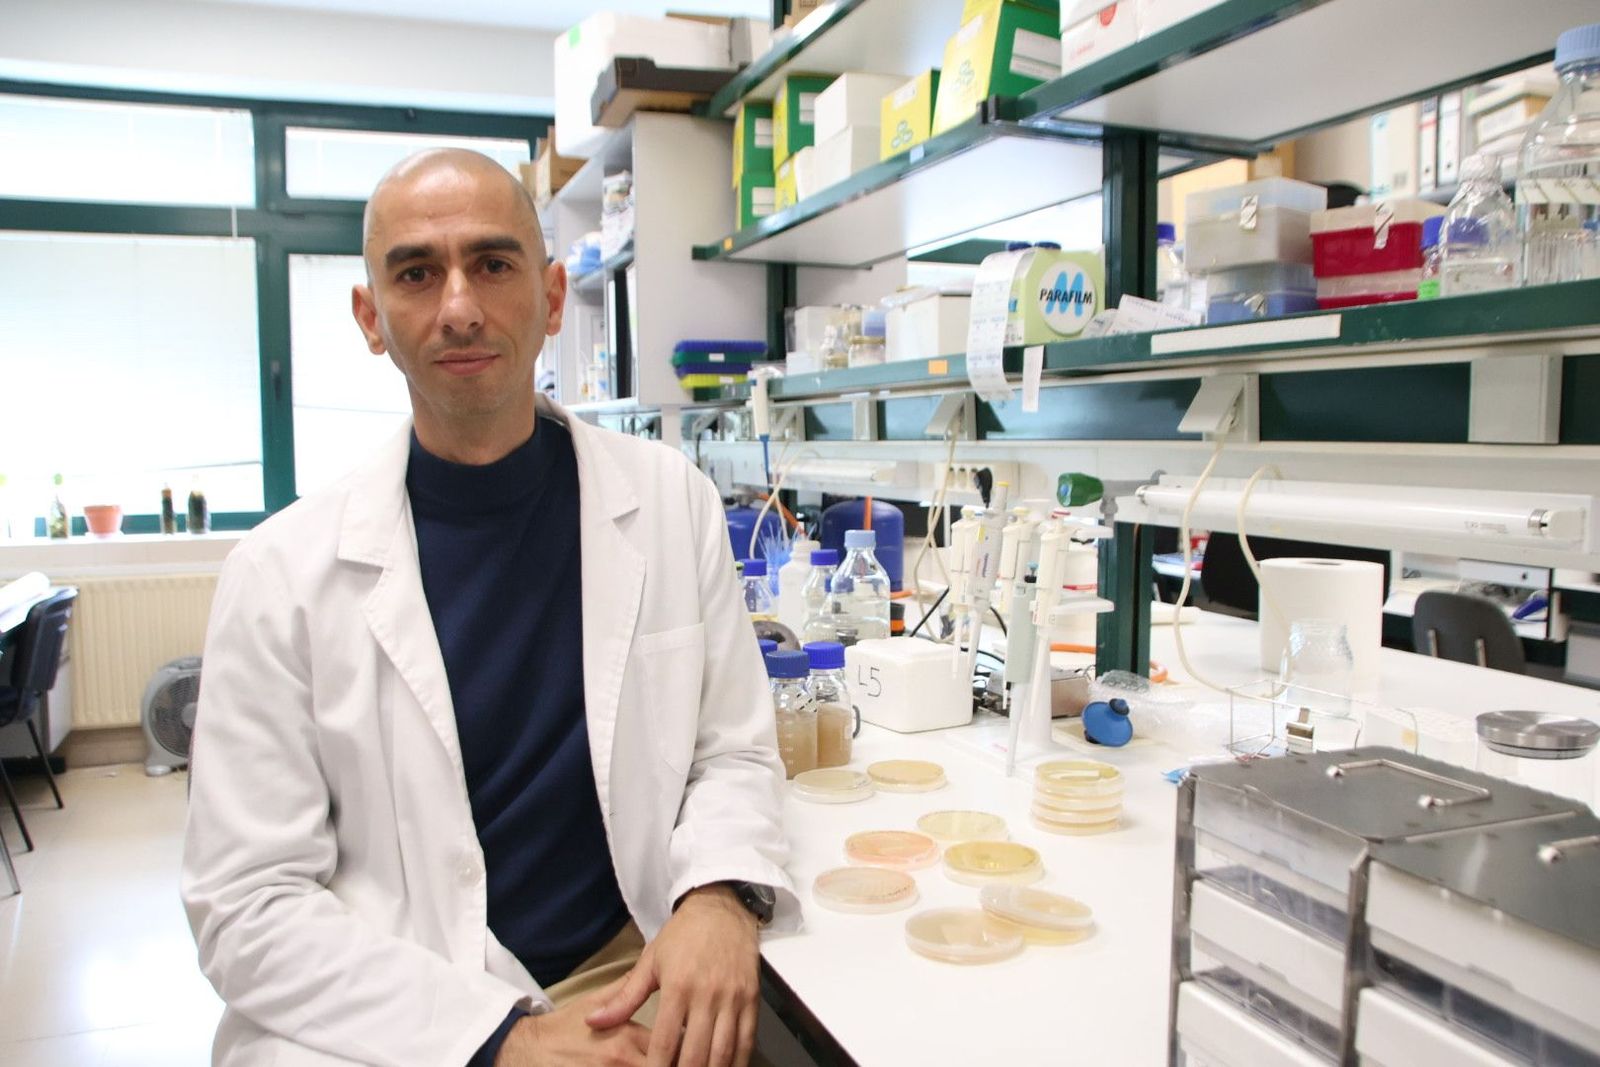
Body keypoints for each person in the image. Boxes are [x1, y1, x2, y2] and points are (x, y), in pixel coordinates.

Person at [181, 148, 795, 1067]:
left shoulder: (671, 501)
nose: (460, 306)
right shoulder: (277, 575)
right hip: (401, 998)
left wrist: (718, 895)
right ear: (371, 318)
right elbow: (247, 904)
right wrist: (503, 1039)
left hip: (626, 966)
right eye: (416, 274)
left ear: (551, 298)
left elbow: (733, 749)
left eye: (493, 263)